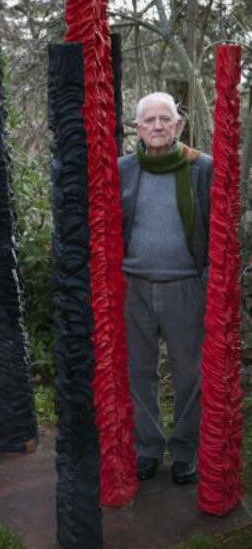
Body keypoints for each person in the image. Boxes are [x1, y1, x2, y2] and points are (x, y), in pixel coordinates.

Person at [118, 92, 213, 484]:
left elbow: (215, 227)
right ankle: (148, 448)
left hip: (185, 286)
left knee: (189, 374)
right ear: (137, 128)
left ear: (178, 124)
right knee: (139, 371)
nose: (157, 126)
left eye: (165, 119)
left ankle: (186, 451)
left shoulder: (202, 168)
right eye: (149, 120)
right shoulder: (122, 169)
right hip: (133, 285)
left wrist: (208, 278)